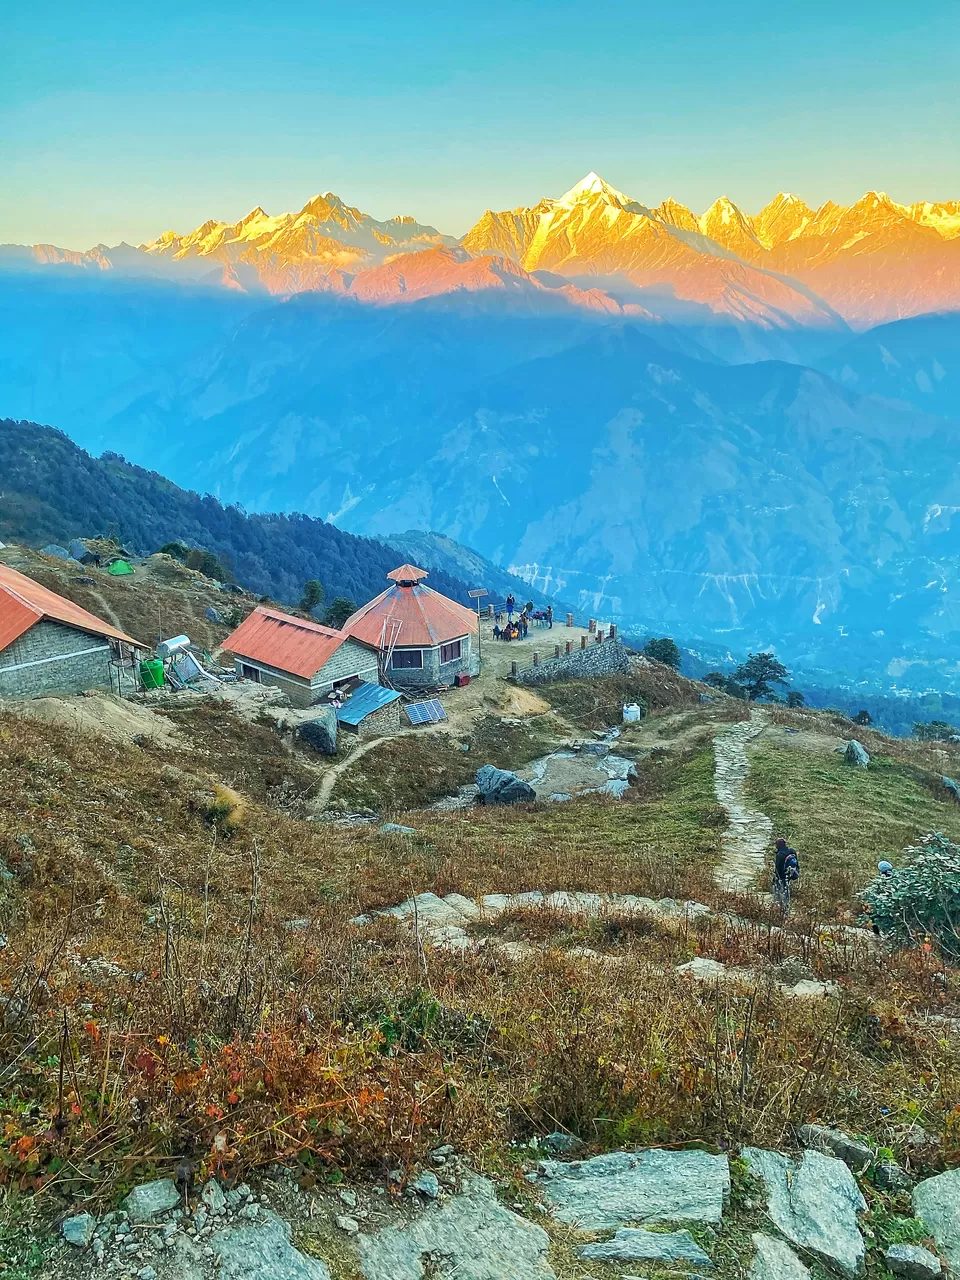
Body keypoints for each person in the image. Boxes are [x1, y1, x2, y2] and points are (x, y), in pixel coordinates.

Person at [771, 836, 800, 912]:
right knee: (787, 892)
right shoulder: (792, 851)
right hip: (790, 875)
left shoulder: (779, 855)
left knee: (778, 896)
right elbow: (796, 864)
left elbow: (777, 870)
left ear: (778, 845)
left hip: (781, 878)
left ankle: (780, 910)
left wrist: (774, 880)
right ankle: (787, 908)